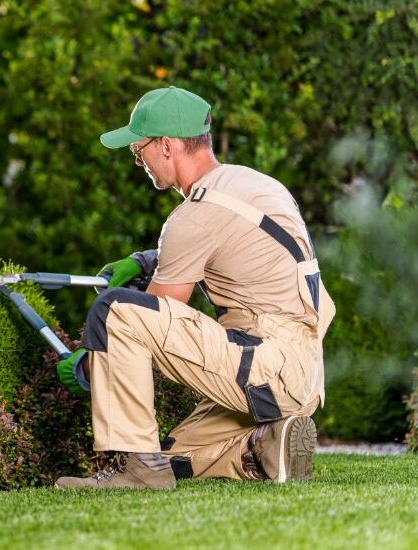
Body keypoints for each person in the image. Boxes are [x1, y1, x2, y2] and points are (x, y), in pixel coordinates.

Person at [54, 86, 335, 489]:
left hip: (266, 367)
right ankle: (261, 446)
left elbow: (154, 319)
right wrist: (146, 260)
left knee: (114, 310)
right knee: (171, 454)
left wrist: (88, 365)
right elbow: (234, 247)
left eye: (139, 148)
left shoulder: (193, 216)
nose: (138, 159)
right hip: (300, 373)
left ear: (167, 146)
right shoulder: (252, 185)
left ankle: (140, 473)